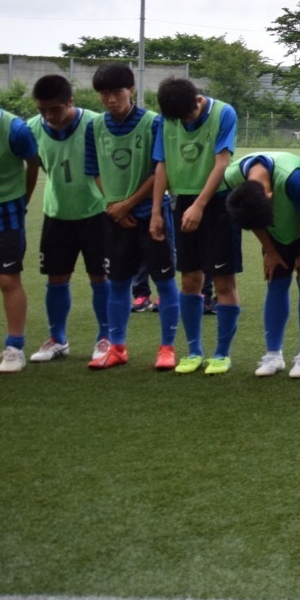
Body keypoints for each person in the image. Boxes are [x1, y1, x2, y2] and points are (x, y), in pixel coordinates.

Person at [83, 64, 181, 370]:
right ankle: (117, 347)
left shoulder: (154, 123)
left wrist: (129, 204)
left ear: (132, 91)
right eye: (104, 93)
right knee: (117, 284)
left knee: (164, 282)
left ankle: (167, 348)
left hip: (152, 215)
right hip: (114, 218)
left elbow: (159, 171)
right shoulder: (94, 126)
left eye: (117, 92)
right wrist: (114, 206)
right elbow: (94, 170)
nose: (111, 99)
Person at [149, 77, 242, 375]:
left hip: (218, 203)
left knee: (224, 281)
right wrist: (156, 212)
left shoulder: (223, 113)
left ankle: (221, 354)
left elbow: (222, 162)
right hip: (182, 202)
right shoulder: (167, 120)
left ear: (198, 101)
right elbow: (161, 164)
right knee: (189, 279)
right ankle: (193, 351)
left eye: (188, 114)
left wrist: (200, 205)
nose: (184, 121)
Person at [23, 76, 111, 367]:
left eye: (55, 109)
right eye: (42, 110)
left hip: (96, 212)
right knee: (56, 278)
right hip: (56, 213)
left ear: (70, 102)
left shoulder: (96, 124)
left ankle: (105, 338)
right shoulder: (32, 129)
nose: (48, 116)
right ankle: (58, 339)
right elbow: (35, 168)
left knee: (100, 276)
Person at [223, 152, 300, 378]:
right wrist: (269, 250)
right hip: (274, 232)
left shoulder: (291, 178)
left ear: (270, 196)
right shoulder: (232, 176)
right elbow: (250, 217)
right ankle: (273, 355)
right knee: (275, 282)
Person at [0, 103, 39, 373]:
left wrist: (24, 199)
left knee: (8, 278)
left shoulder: (15, 129)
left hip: (6, 211)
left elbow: (33, 163)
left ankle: (15, 347)